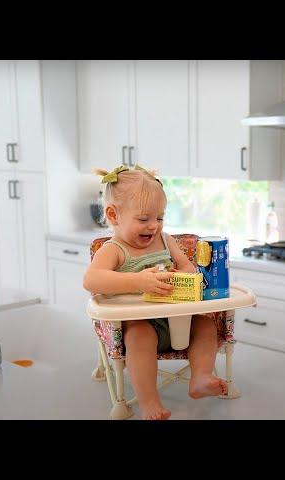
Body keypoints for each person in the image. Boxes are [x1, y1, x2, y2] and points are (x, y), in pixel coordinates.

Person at [83, 165, 227, 420]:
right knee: (139, 337)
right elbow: (92, 279)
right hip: (140, 325)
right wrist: (138, 281)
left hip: (179, 322)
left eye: (159, 218)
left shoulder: (166, 241)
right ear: (114, 215)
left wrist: (184, 276)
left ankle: (201, 377)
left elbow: (188, 268)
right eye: (144, 219)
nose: (153, 226)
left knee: (206, 326)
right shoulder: (113, 249)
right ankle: (149, 402)